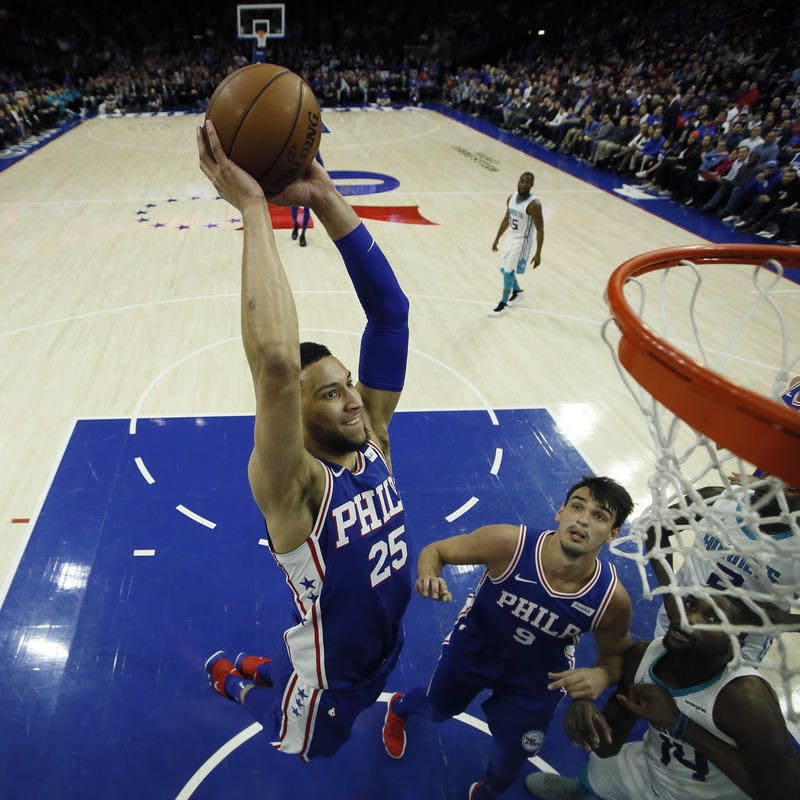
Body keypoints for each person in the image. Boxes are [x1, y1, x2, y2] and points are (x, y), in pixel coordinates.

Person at [196, 120, 412, 760]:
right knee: (300, 743)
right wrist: (253, 207)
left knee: (316, 685)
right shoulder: (294, 485)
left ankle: (264, 668)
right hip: (328, 676)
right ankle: (233, 681)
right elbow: (276, 363)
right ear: (295, 409)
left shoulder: (372, 438)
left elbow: (391, 314)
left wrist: (324, 196)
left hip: (384, 644)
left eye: (349, 384)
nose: (354, 399)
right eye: (331, 393)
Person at [381, 476, 635, 799]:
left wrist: (602, 674)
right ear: (560, 511)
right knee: (436, 710)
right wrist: (429, 576)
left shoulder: (611, 599)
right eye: (577, 507)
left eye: (599, 516)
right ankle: (399, 707)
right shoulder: (509, 544)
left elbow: (618, 655)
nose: (583, 520)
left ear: (613, 533)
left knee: (510, 758)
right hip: (474, 652)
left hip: (536, 681)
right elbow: (437, 550)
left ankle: (487, 792)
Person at [525, 591, 800, 800]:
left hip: (711, 794)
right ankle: (581, 789)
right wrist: (584, 708)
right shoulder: (644, 656)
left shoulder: (745, 697)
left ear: (736, 642)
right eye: (690, 604)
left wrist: (679, 724)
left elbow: (783, 792)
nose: (689, 618)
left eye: (713, 618)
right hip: (652, 768)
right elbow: (606, 747)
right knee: (602, 768)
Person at [489, 171, 544, 316]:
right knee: (503, 270)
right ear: (518, 181)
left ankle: (503, 305)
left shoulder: (534, 204)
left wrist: (538, 253)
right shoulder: (511, 198)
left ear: (532, 185)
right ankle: (518, 292)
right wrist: (497, 238)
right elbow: (506, 219)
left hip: (523, 241)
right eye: (522, 181)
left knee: (508, 271)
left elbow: (540, 230)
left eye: (527, 183)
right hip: (511, 237)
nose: (524, 185)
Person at [290, 152, 325, 246]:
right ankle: (296, 225)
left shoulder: (313, 149)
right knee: (293, 212)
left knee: (306, 209)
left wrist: (322, 176)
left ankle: (303, 234)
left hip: (307, 181)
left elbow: (320, 162)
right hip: (295, 181)